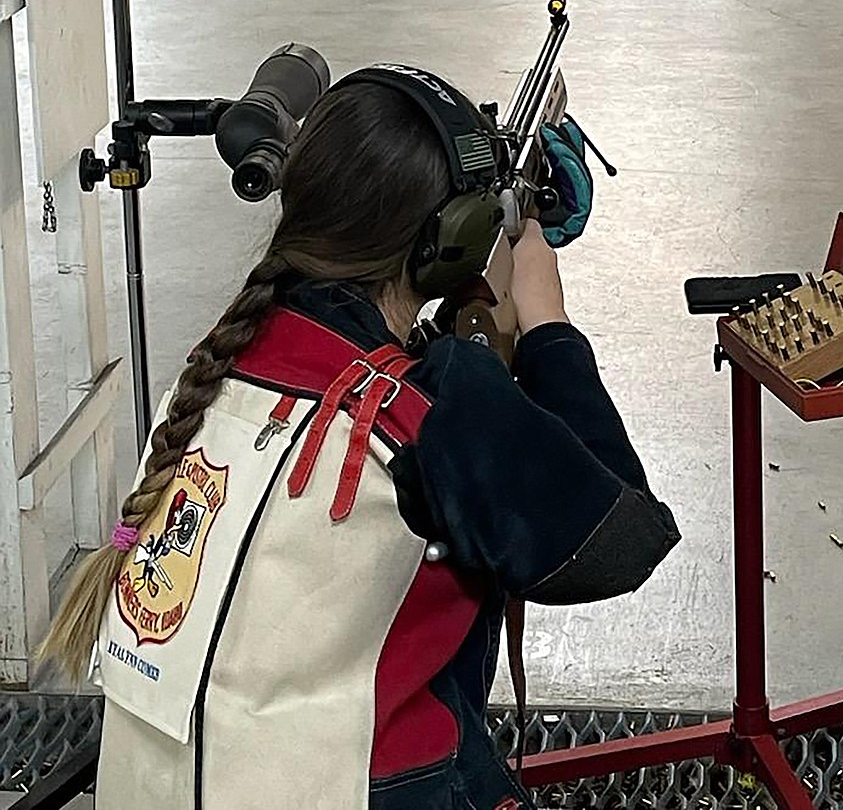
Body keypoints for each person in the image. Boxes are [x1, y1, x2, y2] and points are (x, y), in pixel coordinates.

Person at [41, 66, 679, 810]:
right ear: (456, 242)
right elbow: (623, 537)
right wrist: (546, 321)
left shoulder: (216, 366)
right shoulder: (432, 412)